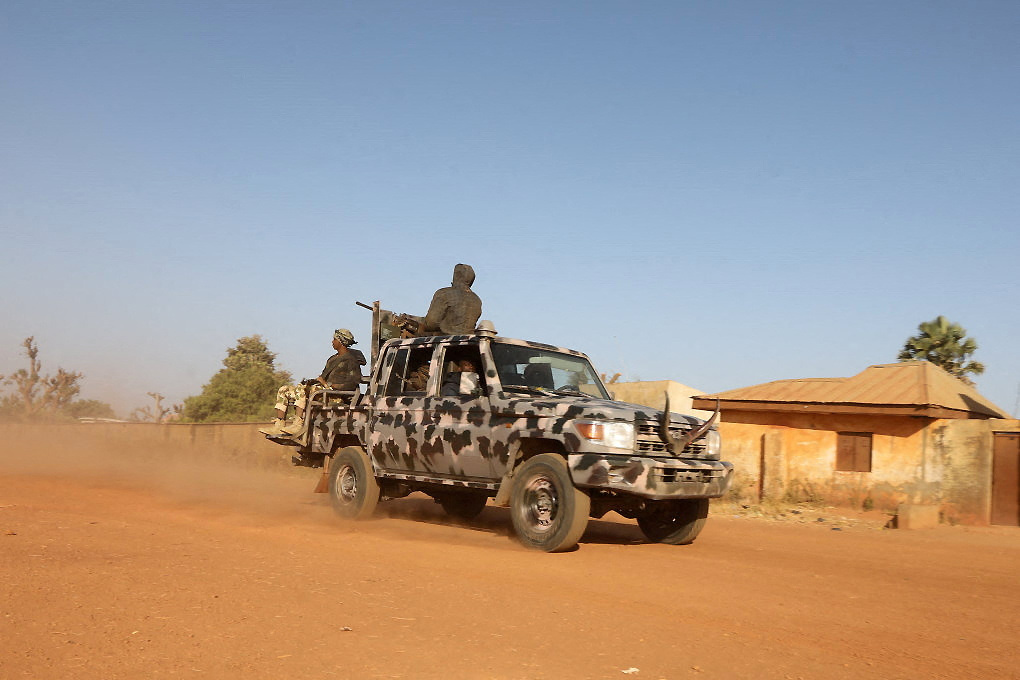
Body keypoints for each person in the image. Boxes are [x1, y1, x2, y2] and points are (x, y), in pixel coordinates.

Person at [259, 329, 366, 437]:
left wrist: (326, 385)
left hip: (334, 395)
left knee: (302, 390)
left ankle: (298, 424)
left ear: (341, 342)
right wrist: (312, 382)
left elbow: (352, 383)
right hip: (323, 391)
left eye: (334, 339)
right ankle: (279, 425)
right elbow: (322, 377)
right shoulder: (332, 359)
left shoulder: (351, 361)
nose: (332, 342)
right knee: (284, 390)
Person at [421, 263, 482, 335]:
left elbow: (431, 324)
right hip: (467, 342)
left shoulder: (444, 294)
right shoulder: (477, 300)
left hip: (444, 340)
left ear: (456, 276)